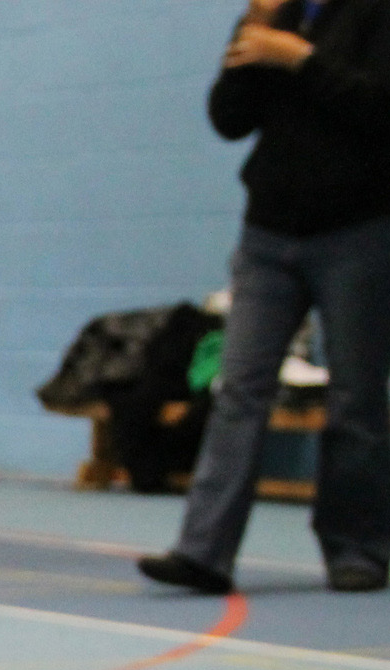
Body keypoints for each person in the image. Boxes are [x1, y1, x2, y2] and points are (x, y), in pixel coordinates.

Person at [138, 0, 390, 595]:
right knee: (238, 391)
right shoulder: (270, 15)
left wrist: (302, 59)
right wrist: (257, 35)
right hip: (267, 233)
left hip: (357, 231)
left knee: (355, 397)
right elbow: (228, 119)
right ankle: (204, 551)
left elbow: (379, 110)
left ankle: (356, 548)